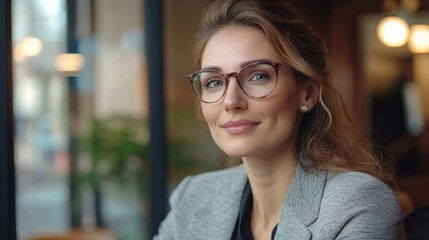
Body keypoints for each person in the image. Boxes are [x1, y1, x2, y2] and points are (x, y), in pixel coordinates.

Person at [155, 0, 405, 239]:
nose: (231, 101)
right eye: (214, 82)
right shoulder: (193, 197)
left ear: (307, 93)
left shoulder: (356, 203)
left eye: (258, 76)